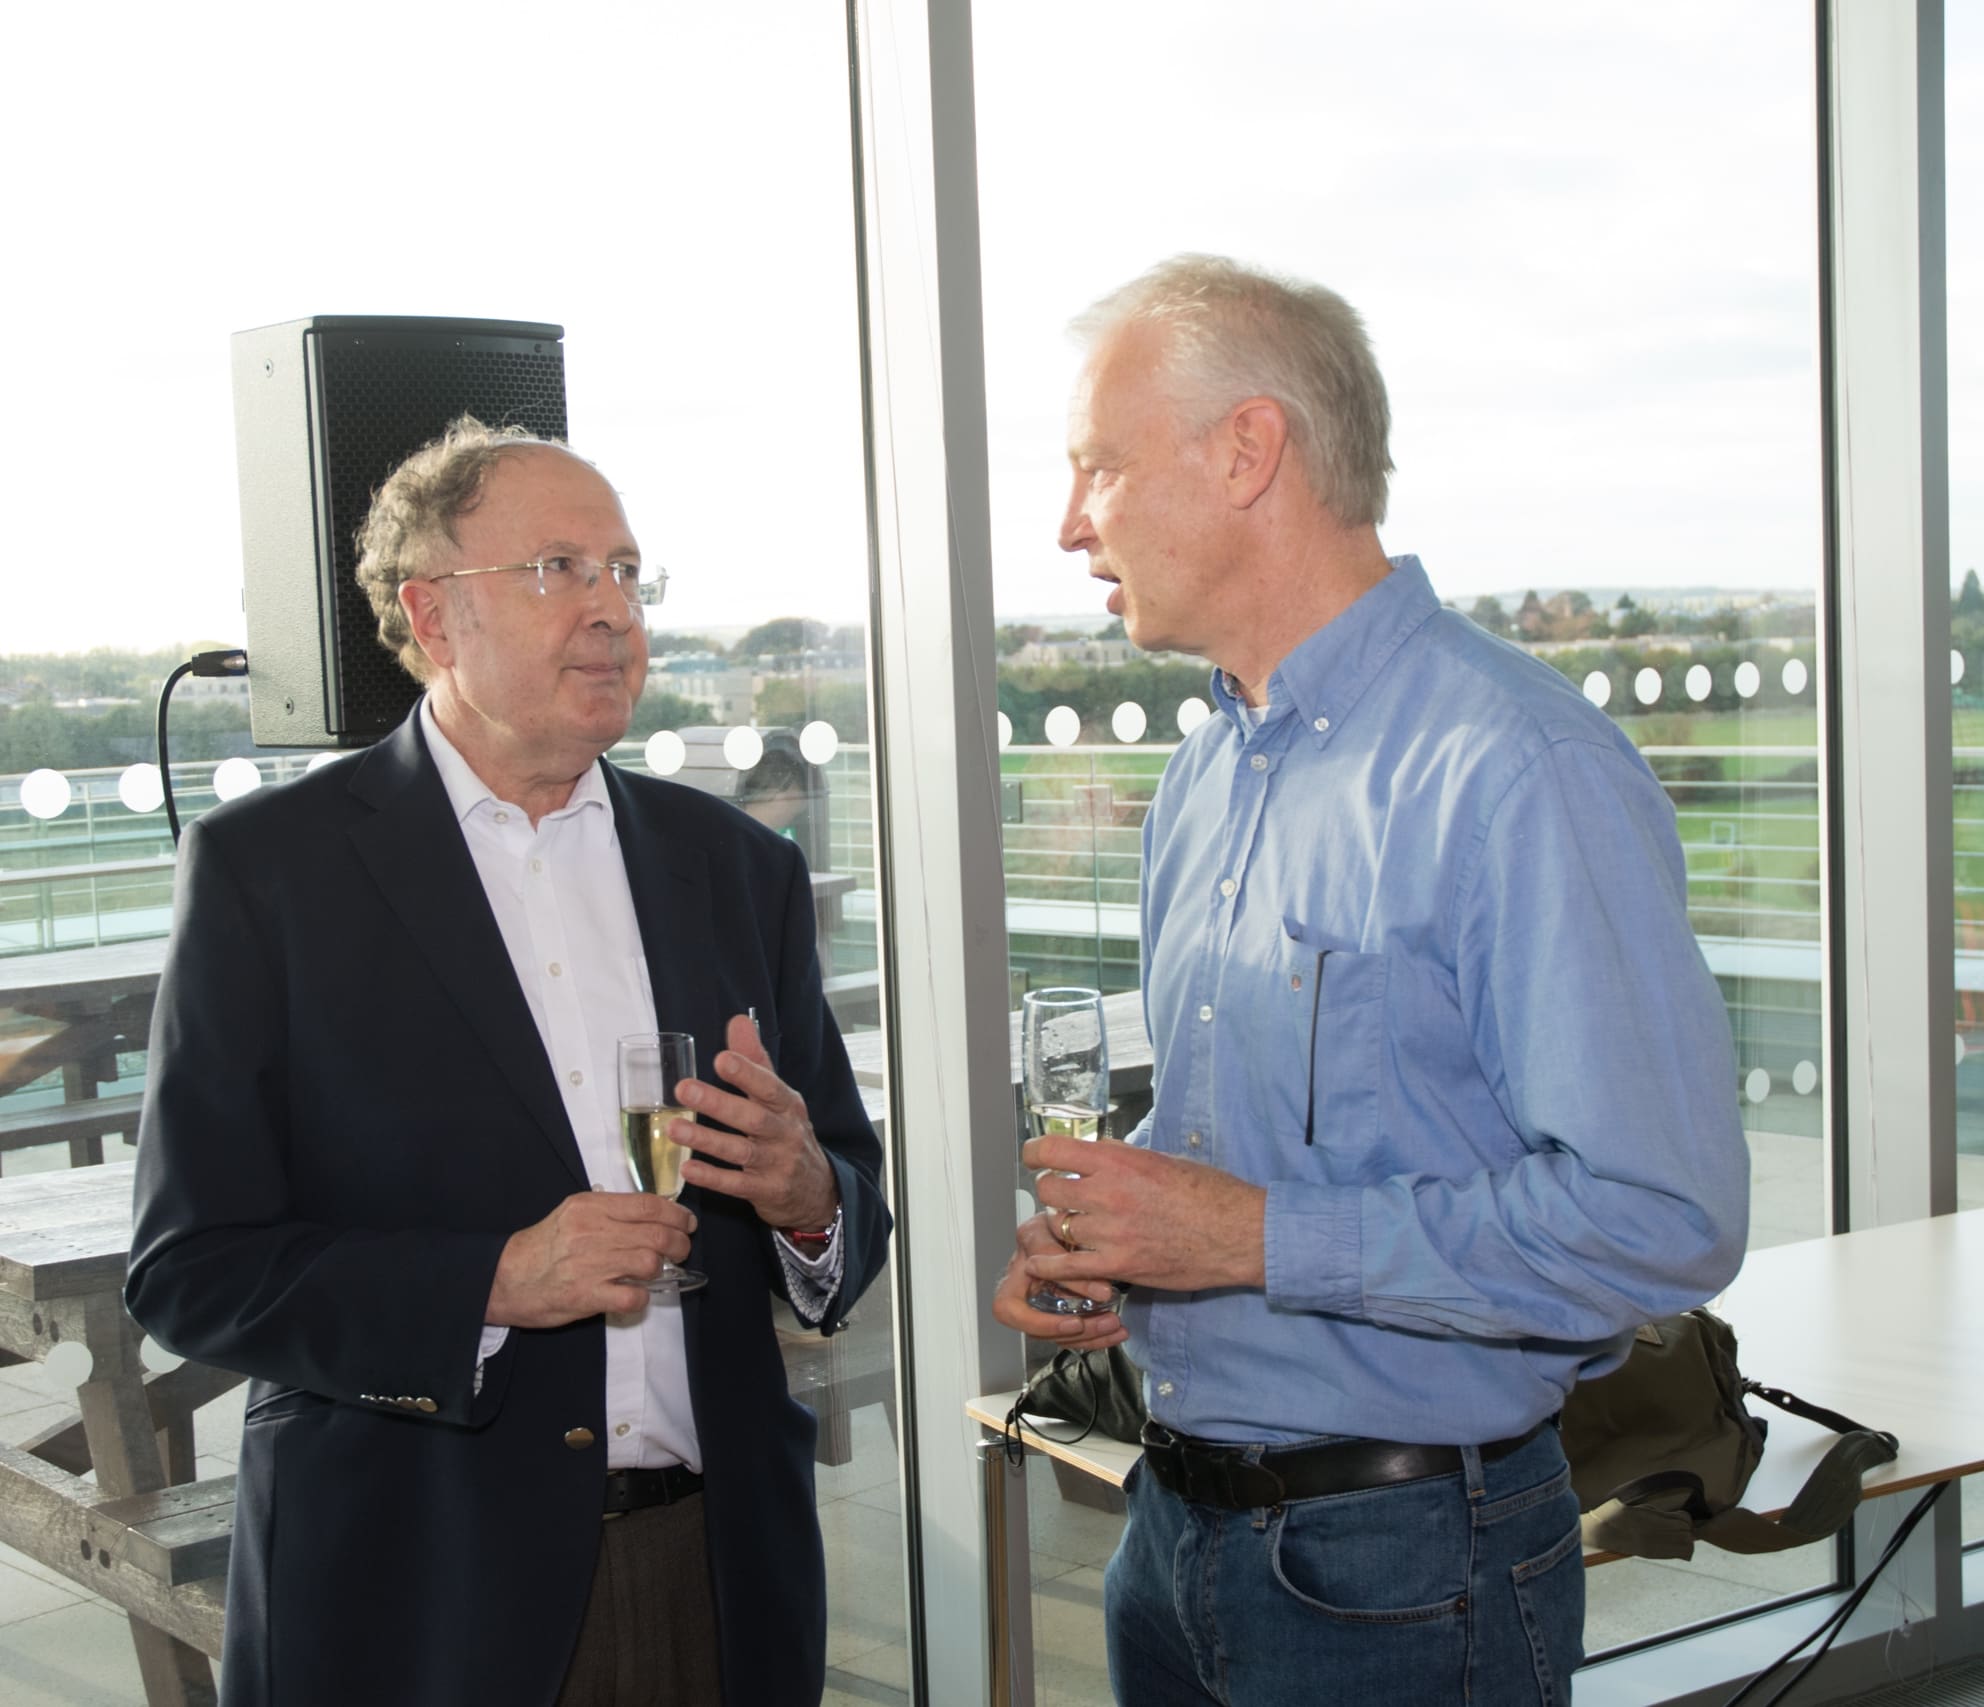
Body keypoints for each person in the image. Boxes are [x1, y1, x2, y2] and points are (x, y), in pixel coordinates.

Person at [992, 256, 1749, 1705]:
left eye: (1097, 468)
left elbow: (1661, 1217)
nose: (1070, 521)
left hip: (1409, 1579)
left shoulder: (1515, 770)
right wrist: (1140, 1226)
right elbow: (1290, 1145)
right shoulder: (1203, 772)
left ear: (1248, 451)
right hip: (1172, 1537)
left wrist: (1253, 1238)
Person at [127, 417, 891, 1707]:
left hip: (722, 1577)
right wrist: (492, 1282)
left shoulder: (737, 870)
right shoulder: (275, 875)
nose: (611, 610)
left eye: (627, 572)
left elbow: (848, 1206)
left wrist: (808, 1196)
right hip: (418, 1596)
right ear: (433, 620)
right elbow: (190, 1269)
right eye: (558, 570)